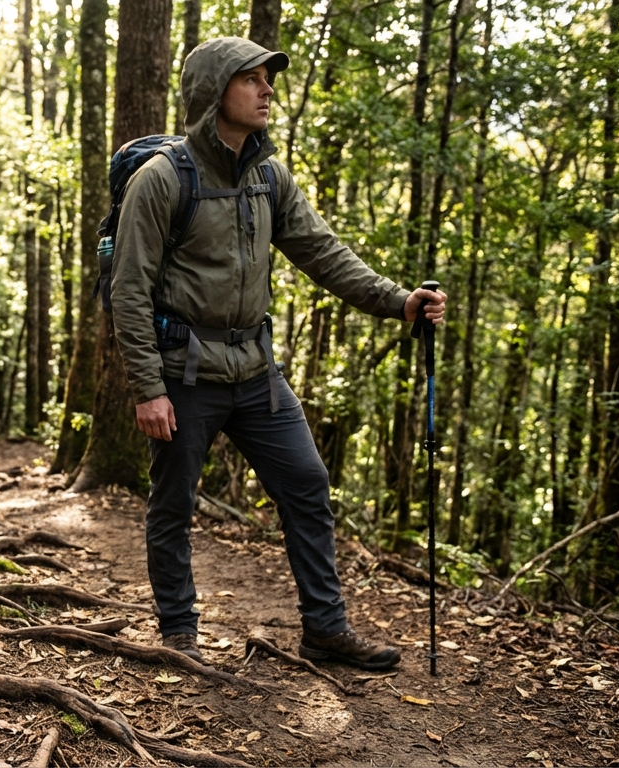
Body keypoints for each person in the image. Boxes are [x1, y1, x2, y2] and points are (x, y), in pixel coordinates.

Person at [109, 37, 447, 670]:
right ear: (215, 93)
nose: (267, 90)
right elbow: (128, 291)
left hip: (257, 372)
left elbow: (323, 252)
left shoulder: (269, 176)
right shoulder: (162, 181)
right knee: (174, 501)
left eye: (269, 79)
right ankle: (179, 632)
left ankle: (325, 627)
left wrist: (398, 301)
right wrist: (147, 387)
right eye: (252, 79)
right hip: (184, 373)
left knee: (307, 484)